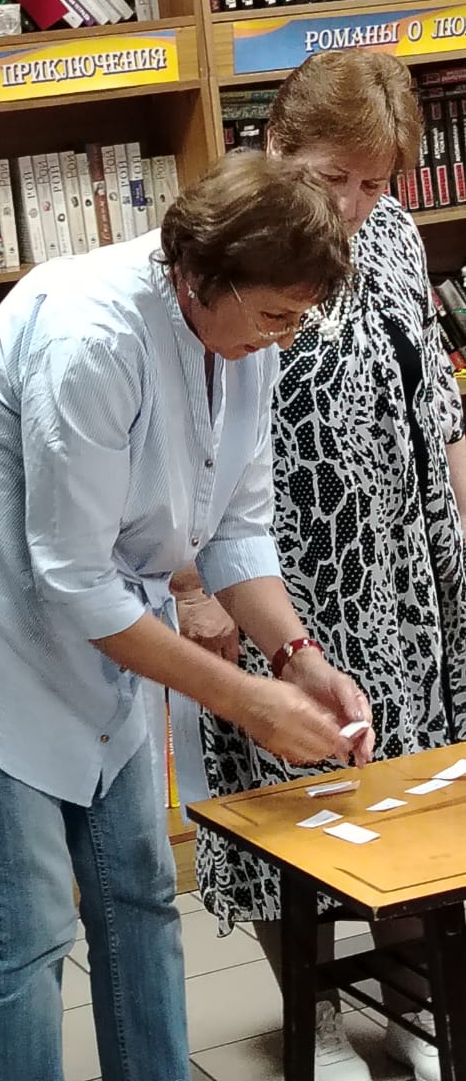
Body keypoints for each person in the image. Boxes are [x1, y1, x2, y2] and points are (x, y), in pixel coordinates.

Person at [0, 153, 373, 1081]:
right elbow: (73, 582)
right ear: (197, 279)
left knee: (139, 894)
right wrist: (246, 700)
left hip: (104, 615)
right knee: (30, 922)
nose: (283, 338)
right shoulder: (91, 336)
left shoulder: (243, 340)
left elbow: (236, 526)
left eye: (297, 318)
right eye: (274, 316)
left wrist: (296, 657)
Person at [177, 52, 466, 1081]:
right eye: (331, 175)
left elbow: (437, 406)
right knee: (286, 801)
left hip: (402, 570)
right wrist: (193, 587)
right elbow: (180, 441)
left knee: (410, 799)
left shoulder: (393, 236)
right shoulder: (235, 241)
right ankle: (318, 1016)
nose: (349, 203)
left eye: (372, 181)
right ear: (276, 144)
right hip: (274, 572)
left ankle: (417, 1005)